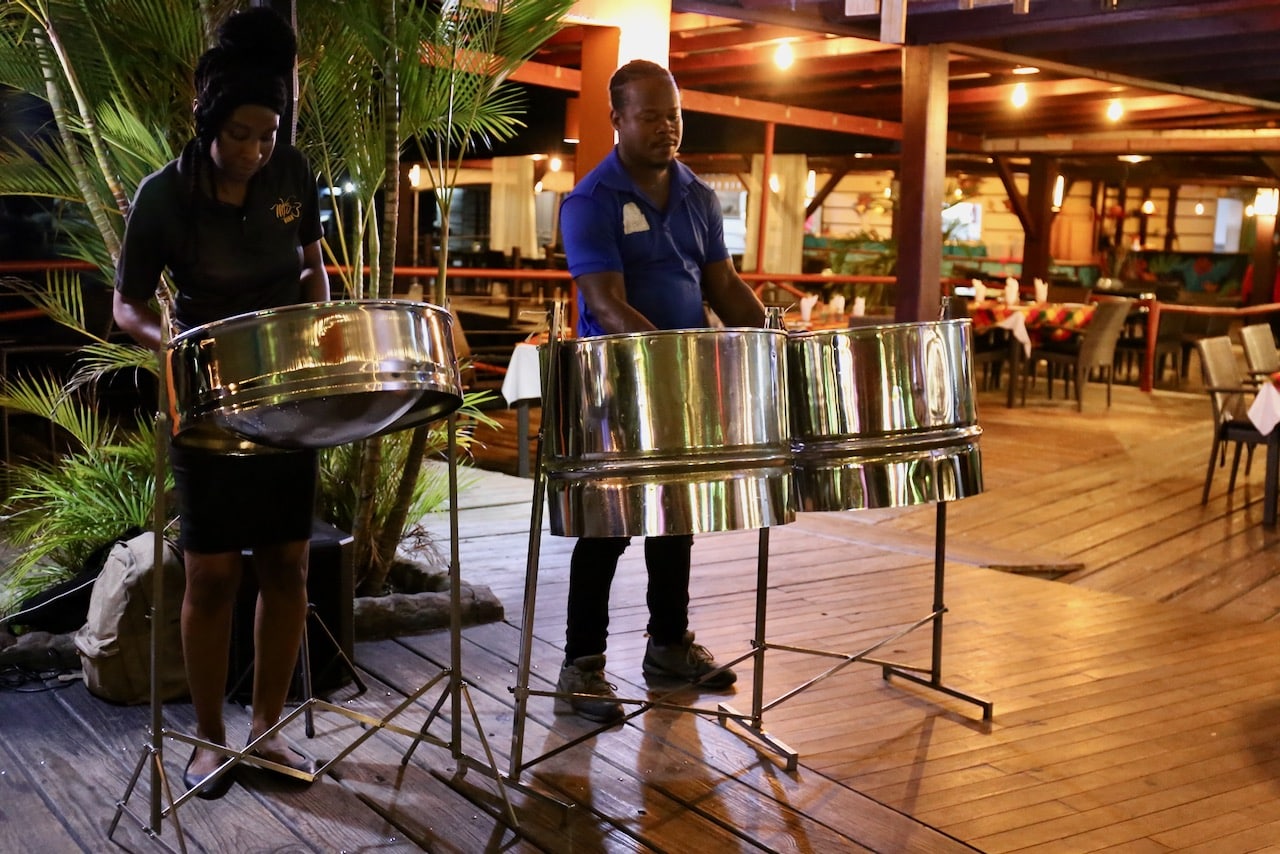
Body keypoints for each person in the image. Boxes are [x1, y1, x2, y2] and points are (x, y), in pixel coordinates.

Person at [113, 8, 328, 799]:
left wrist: (316, 320)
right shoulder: (164, 195)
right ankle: (208, 740)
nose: (255, 149)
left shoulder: (292, 175)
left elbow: (314, 266)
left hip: (287, 397)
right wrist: (160, 334)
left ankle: (267, 730)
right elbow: (125, 303)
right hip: (205, 392)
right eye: (241, 133)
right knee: (209, 573)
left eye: (267, 134)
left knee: (286, 562)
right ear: (210, 122)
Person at [555, 60, 767, 723]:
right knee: (609, 528)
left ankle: (668, 648)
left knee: (677, 517)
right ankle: (581, 668)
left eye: (674, 114)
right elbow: (607, 305)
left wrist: (771, 342)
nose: (667, 127)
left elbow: (724, 287)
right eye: (651, 116)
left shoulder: (699, 196)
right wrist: (671, 365)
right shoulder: (591, 201)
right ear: (617, 119)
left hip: (686, 380)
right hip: (619, 383)